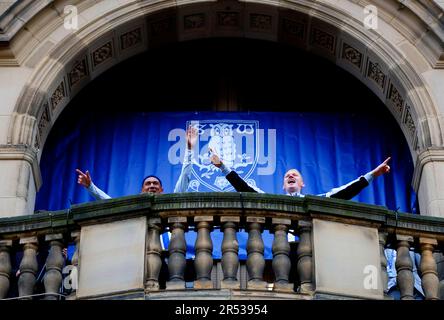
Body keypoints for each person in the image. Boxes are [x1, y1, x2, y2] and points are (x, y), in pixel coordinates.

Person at [210, 147, 391, 200]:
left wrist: (373, 174)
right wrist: (222, 167)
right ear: (282, 185)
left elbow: (346, 191)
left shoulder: (314, 199)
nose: (290, 176)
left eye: (295, 175)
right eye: (287, 175)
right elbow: (245, 188)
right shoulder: (273, 201)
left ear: (302, 184)